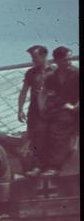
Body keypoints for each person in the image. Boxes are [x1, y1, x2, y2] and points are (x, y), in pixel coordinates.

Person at [17, 45, 55, 175]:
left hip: (50, 109)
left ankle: (49, 165)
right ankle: (36, 166)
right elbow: (24, 91)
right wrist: (20, 109)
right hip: (34, 110)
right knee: (33, 136)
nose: (33, 60)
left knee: (49, 136)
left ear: (44, 56)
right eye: (32, 57)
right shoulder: (31, 73)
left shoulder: (54, 71)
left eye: (35, 57)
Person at [42, 46, 79, 175]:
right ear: (57, 61)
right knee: (43, 128)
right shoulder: (52, 77)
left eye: (71, 59)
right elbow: (44, 93)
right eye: (65, 60)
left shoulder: (77, 73)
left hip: (75, 109)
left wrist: (75, 107)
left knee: (58, 128)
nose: (69, 62)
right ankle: (41, 165)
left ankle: (54, 166)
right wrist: (42, 108)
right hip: (62, 110)